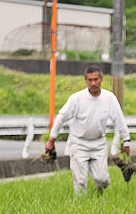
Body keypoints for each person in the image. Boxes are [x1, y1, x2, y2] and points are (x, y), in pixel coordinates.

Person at [45, 66, 131, 194]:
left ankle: (98, 187)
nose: (93, 83)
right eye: (90, 80)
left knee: (103, 179)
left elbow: (119, 119)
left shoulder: (109, 98)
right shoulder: (76, 98)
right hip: (79, 143)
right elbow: (61, 117)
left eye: (96, 79)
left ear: (101, 79)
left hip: (99, 143)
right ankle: (81, 204)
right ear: (85, 80)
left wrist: (126, 141)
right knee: (80, 182)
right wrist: (51, 140)